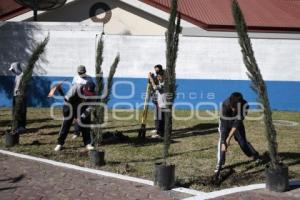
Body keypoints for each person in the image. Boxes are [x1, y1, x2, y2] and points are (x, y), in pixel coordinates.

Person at [215, 92, 261, 172]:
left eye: (235, 108)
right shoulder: (225, 105)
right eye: (232, 107)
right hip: (225, 122)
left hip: (236, 124)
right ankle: (220, 163)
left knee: (242, 142)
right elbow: (224, 127)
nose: (233, 109)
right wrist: (224, 141)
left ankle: (254, 154)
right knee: (222, 143)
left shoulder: (245, 105)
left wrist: (229, 138)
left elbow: (237, 124)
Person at [54, 81, 96, 151]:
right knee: (66, 125)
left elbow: (90, 107)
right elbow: (66, 99)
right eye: (86, 93)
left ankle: (87, 143)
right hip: (70, 106)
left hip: (82, 108)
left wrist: (81, 117)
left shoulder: (94, 95)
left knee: (85, 124)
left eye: (89, 94)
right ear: (84, 88)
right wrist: (60, 90)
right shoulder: (75, 88)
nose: (87, 95)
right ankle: (60, 143)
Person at [71, 65, 93, 139]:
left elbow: (92, 89)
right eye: (79, 73)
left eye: (82, 73)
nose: (80, 74)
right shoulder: (75, 78)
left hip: (86, 100)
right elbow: (73, 88)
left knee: (85, 116)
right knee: (77, 116)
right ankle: (76, 132)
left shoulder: (89, 78)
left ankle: (88, 133)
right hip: (77, 99)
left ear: (85, 72)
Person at [9, 62, 27, 132]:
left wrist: (20, 94)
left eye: (13, 69)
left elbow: (24, 87)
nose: (12, 71)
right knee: (15, 111)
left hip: (21, 96)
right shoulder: (17, 75)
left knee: (21, 111)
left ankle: (22, 126)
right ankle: (15, 125)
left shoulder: (23, 75)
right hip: (15, 96)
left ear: (17, 68)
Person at [149, 71, 167, 139]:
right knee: (160, 120)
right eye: (158, 76)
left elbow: (155, 87)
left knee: (161, 121)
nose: (158, 78)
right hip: (160, 104)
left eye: (159, 76)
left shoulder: (165, 83)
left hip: (163, 105)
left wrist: (151, 78)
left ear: (163, 76)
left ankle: (160, 134)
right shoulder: (161, 82)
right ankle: (160, 133)